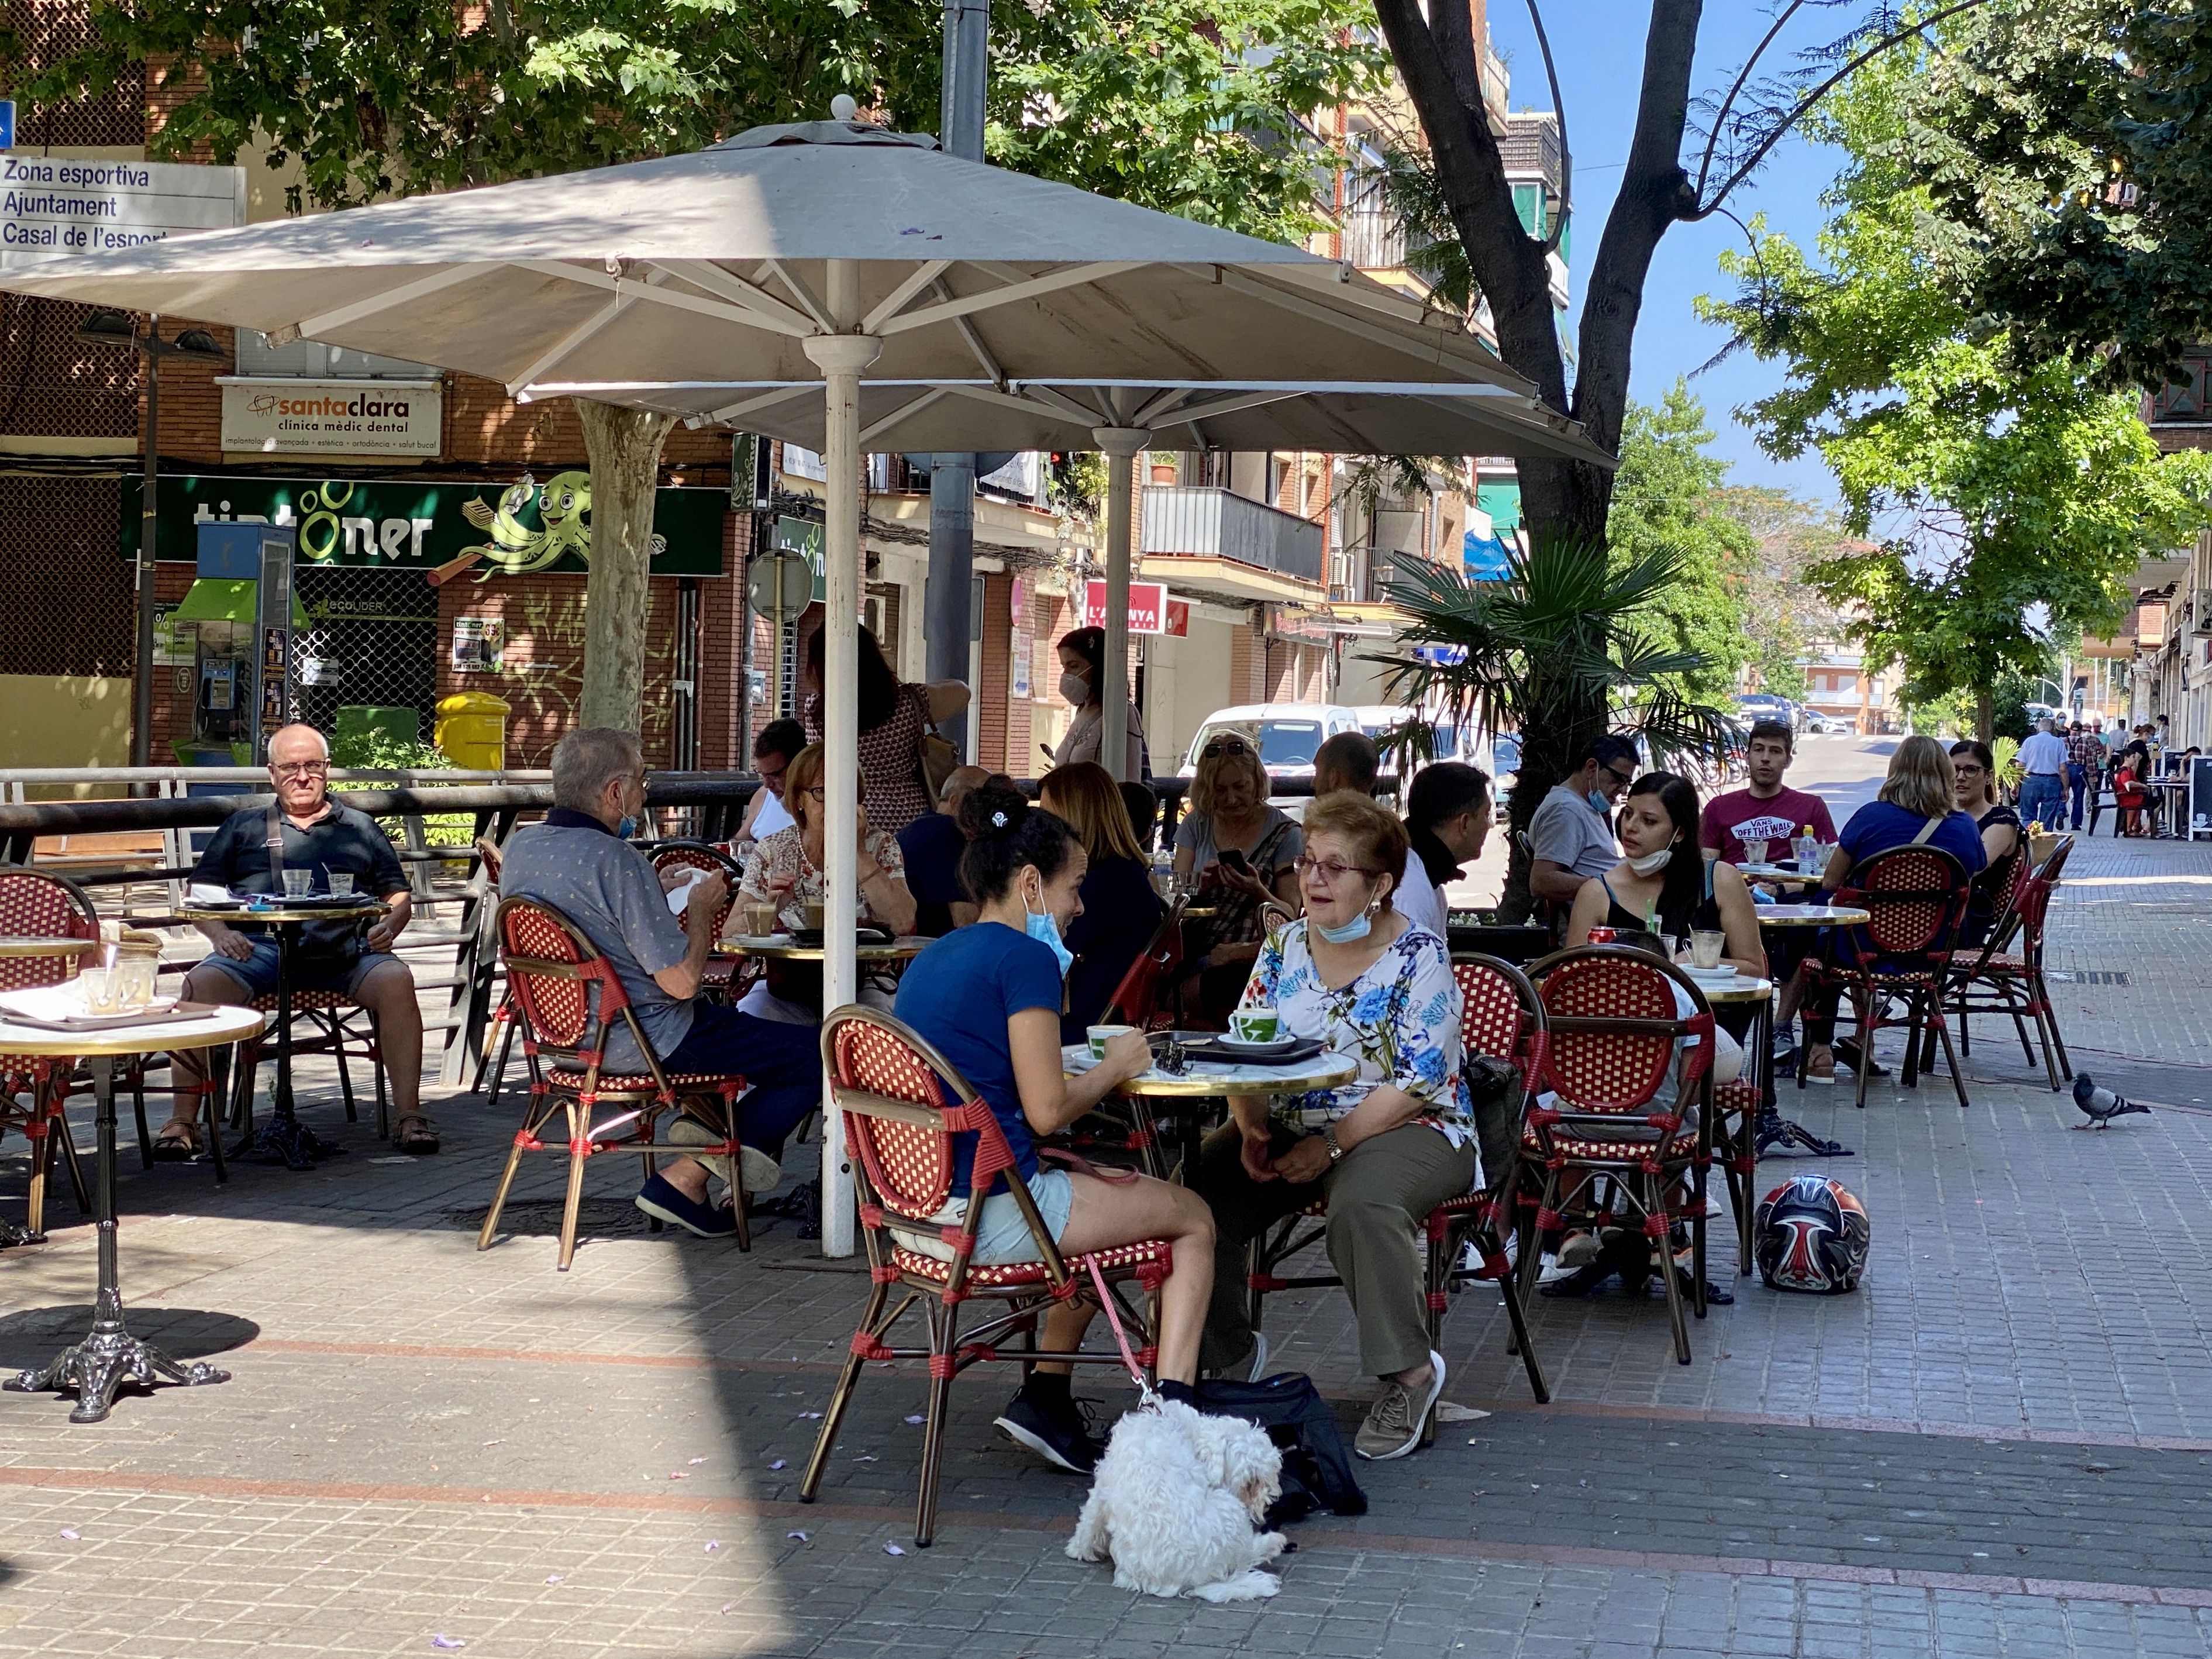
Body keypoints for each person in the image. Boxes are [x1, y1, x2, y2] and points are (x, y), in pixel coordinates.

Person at [893, 786, 1215, 1473]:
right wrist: (1120, 1062)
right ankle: (1176, 1423)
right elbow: (1046, 1111)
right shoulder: (1026, 960)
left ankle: (1047, 1396)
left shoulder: (934, 956)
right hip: (991, 1214)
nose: (1079, 906)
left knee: (1094, 1191)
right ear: (1031, 883)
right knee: (1190, 1215)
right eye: (1073, 887)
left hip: (912, 1213)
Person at [1191, 792, 1477, 1462]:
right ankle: (1227, 1354)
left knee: (1362, 1204)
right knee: (1195, 1191)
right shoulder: (1284, 944)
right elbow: (1246, 1044)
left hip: (1410, 1126)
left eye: (1334, 867)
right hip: (1294, 1121)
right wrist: (1252, 1125)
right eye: (1306, 863)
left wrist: (1329, 1145)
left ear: (1378, 885)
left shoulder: (1418, 956)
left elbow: (1417, 1081)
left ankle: (1410, 1374)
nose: (1311, 879)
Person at [499, 728, 827, 1235]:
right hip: (650, 1038)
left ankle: (703, 1135)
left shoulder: (522, 846)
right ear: (614, 792)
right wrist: (701, 912)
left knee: (748, 1029)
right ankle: (688, 1174)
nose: (646, 791)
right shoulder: (617, 860)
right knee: (821, 1057)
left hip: (565, 1039)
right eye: (642, 778)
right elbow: (681, 984)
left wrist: (654, 886)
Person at [157, 722, 431, 1158]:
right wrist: (222, 934)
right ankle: (181, 1124)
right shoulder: (243, 826)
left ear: (327, 769)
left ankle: (410, 1118)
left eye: (311, 766)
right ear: (271, 774)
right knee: (198, 986)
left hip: (346, 952)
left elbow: (398, 895)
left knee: (397, 979)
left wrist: (390, 926)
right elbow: (200, 896)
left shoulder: (360, 826)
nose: (301, 777)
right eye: (289, 767)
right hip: (259, 951)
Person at [1796, 735, 1986, 1085]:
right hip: (1928, 953)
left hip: (1860, 950)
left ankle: (1820, 1053)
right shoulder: (1964, 827)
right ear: (1945, 775)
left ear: (1895, 772)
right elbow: (1973, 872)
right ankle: (1868, 1045)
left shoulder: (1871, 817)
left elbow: (1830, 881)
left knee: (1824, 940)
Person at [1563, 772, 1766, 1089]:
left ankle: (1656, 1130)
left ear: (1680, 833)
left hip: (1704, 1029)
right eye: (1628, 813)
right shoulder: (1597, 892)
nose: (1631, 827)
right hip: (1620, 1031)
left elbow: (1756, 970)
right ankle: (1659, 1131)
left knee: (1669, 1066)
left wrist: (1695, 961)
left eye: (1649, 821)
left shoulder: (1719, 881)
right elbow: (1570, 982)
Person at [735, 742, 918, 1021]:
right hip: (787, 984)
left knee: (875, 1029)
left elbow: (904, 921)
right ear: (798, 799)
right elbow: (728, 933)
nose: (837, 803)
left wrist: (859, 854)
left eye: (847, 793)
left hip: (866, 980)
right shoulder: (773, 850)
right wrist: (769, 908)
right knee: (751, 1019)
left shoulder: (880, 846)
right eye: (822, 792)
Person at [1172, 733, 1303, 1018]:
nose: (1232, 798)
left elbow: (1290, 916)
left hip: (1251, 956)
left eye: (1240, 786)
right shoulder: (1197, 823)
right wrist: (1201, 886)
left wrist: (1257, 891)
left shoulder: (1286, 835)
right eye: (1220, 790)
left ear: (1256, 780)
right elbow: (1175, 894)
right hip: (1195, 947)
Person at [1040, 762, 1167, 1042]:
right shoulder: (1120, 872)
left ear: (1076, 818)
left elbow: (1042, 947)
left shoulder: (1109, 881)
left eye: (1048, 819)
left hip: (1084, 1029)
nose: (1041, 830)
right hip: (1096, 1019)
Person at [801, 624, 969, 836]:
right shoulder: (906, 702)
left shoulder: (819, 711)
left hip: (849, 819)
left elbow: (815, 766)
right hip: (909, 819)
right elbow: (962, 691)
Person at [1528, 734, 1640, 915]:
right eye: (1619, 779)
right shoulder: (1565, 810)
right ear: (1591, 768)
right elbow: (1541, 881)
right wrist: (1609, 885)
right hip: (1597, 921)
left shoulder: (1581, 805)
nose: (1623, 790)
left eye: (1627, 782)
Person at [1698, 720, 1836, 867]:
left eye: (1775, 751)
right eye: (1758, 749)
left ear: (1788, 761)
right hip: (1733, 888)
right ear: (1747, 757)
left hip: (1790, 889)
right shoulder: (1718, 808)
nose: (1765, 758)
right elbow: (1707, 870)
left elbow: (1829, 872)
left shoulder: (1812, 807)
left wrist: (1781, 889)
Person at [1397, 762, 1491, 942]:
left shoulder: (1423, 874)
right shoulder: (1410, 885)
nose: (1489, 825)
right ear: (1464, 823)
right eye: (1486, 815)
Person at [897, 763, 990, 937]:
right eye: (983, 800)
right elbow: (966, 919)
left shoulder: (923, 828)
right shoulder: (948, 832)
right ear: (956, 802)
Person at [1949, 739, 2023, 946]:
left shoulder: (2002, 820)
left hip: (1967, 917)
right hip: (1933, 907)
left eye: (1971, 770)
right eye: (1954, 770)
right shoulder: (1939, 817)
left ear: (1988, 776)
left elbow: (1973, 868)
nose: (1960, 777)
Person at [1051, 625, 1151, 777]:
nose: (1066, 674)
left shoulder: (1123, 713)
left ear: (1098, 666)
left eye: (1073, 666)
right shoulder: (1082, 711)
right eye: (1064, 666)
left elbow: (1130, 777)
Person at [735, 718, 807, 848]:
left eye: (775, 775)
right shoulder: (763, 796)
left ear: (799, 765)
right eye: (763, 774)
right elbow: (737, 844)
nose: (768, 785)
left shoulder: (818, 805)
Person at [2015, 715, 2067, 832]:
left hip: (2030, 781)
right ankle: (2044, 846)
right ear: (2053, 729)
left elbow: (2020, 765)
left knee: (2028, 816)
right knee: (2047, 820)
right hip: (2052, 783)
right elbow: (2063, 769)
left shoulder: (2029, 741)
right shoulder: (2058, 743)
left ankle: (2027, 844)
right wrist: (2065, 788)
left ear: (2038, 729)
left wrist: (2016, 785)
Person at [1312, 731, 1380, 797]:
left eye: (1317, 774)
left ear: (1333, 777)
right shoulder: (1381, 808)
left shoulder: (1318, 808)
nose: (1313, 783)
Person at [2063, 720, 2104, 832]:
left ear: (2071, 729)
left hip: (2065, 770)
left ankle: (2061, 812)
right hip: (2079, 770)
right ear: (2081, 731)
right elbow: (2090, 761)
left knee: (2062, 793)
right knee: (2078, 797)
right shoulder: (2085, 743)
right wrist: (2094, 774)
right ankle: (2075, 824)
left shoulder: (2063, 741)